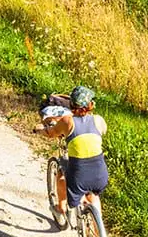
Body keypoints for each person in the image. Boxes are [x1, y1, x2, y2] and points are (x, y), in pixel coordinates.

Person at [36, 85, 108, 221]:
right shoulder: (98, 120)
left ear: (70, 105)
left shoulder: (67, 121)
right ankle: (100, 236)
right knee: (93, 195)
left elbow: (51, 133)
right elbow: (102, 132)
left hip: (80, 175)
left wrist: (39, 129)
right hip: (100, 173)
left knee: (62, 175)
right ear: (91, 105)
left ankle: (61, 209)